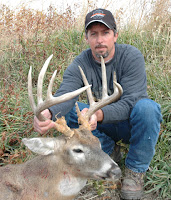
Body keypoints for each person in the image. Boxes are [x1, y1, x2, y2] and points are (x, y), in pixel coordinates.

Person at [34, 8, 162, 200]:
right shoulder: (80, 64)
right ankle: (107, 150)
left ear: (115, 35)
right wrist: (49, 114)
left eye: (105, 33)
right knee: (70, 112)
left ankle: (135, 170)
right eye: (94, 34)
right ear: (87, 38)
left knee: (148, 109)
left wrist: (98, 114)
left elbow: (132, 101)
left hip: (129, 125)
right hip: (99, 127)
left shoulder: (131, 57)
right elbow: (67, 94)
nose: (100, 40)